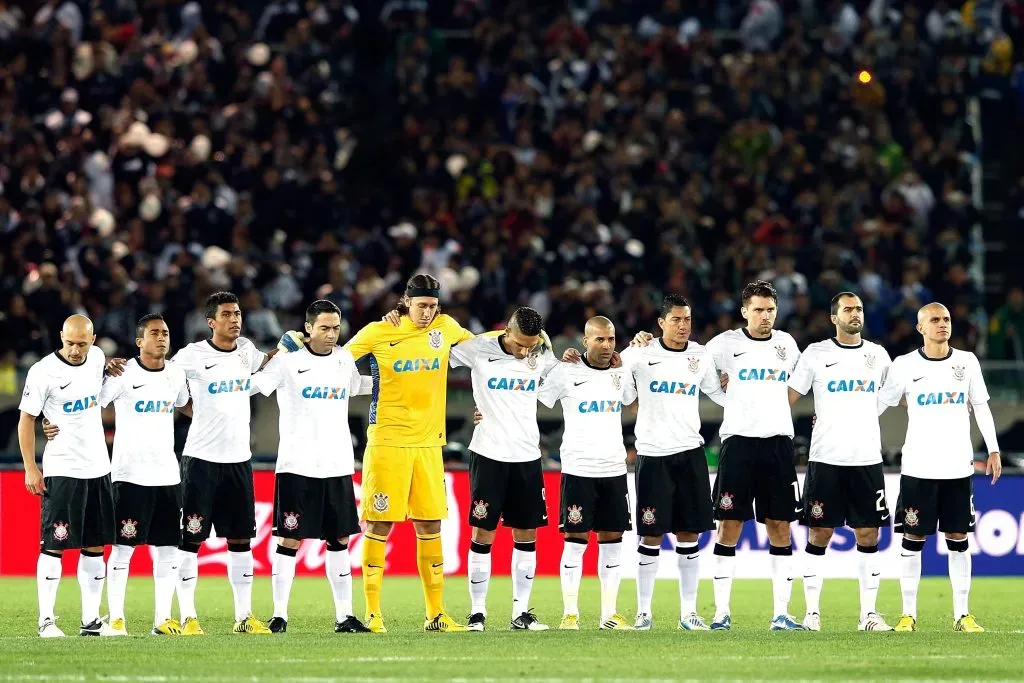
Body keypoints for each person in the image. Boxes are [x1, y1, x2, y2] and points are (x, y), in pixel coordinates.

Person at [343, 274, 475, 633]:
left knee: (430, 523)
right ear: (406, 302)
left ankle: (436, 614)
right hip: (387, 441)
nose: (427, 313)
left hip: (430, 444)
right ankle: (372, 613)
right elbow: (336, 363)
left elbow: (487, 352)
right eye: (421, 306)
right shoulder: (377, 331)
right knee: (380, 523)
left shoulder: (446, 328)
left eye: (432, 306)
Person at [169, 291, 293, 635]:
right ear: (211, 322)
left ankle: (244, 616)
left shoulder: (246, 352)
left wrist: (287, 348)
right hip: (201, 460)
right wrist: (190, 409)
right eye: (227, 314)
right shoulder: (192, 355)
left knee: (241, 542)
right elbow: (162, 378)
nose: (235, 319)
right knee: (190, 540)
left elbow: (267, 365)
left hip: (239, 461)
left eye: (237, 313)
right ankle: (188, 617)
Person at [878, 302, 1001, 632]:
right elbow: (878, 402)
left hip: (958, 468)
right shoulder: (904, 366)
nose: (942, 324)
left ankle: (962, 615)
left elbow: (981, 407)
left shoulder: (967, 362)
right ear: (921, 327)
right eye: (935, 320)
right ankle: (908, 615)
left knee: (959, 538)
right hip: (918, 467)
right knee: (913, 538)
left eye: (946, 319)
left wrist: (993, 449)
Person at [253, 300, 372, 634]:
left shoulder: (344, 359)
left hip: (336, 464)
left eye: (336, 328)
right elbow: (254, 384)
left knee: (339, 539)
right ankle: (279, 615)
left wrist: (387, 382)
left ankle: (345, 616)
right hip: (297, 464)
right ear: (307, 328)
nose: (332, 335)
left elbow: (355, 386)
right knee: (289, 541)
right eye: (324, 328)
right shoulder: (289, 363)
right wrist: (272, 354)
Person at [618, 295, 727, 631]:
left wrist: (739, 388)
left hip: (690, 452)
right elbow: (619, 387)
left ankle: (689, 612)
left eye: (688, 319)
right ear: (661, 322)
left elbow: (717, 393)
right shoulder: (640, 353)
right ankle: (644, 612)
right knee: (651, 536)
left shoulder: (700, 354)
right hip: (652, 453)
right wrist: (638, 405)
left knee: (689, 532)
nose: (683, 326)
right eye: (676, 319)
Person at [787, 293, 894, 632]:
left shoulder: (877, 355)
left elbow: (895, 395)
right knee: (820, 532)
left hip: (866, 458)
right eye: (848, 309)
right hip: (826, 458)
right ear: (834, 317)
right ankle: (812, 613)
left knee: (868, 532)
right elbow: (788, 397)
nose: (855, 314)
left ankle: (869, 615)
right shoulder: (816, 354)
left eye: (859, 308)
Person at [449, 307, 558, 632]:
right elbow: (435, 354)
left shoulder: (541, 354)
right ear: (506, 332)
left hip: (526, 457)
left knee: (526, 534)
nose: (526, 351)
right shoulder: (477, 349)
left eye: (531, 345)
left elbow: (569, 376)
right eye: (520, 344)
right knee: (483, 533)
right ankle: (477, 613)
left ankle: (521, 613)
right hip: (488, 454)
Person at [704, 280, 804, 631]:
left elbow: (801, 383)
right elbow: (696, 368)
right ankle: (721, 613)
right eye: (759, 310)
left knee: (780, 526)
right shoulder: (724, 344)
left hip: (777, 443)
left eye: (770, 310)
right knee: (729, 525)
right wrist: (726, 398)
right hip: (739, 443)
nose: (765, 316)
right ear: (744, 311)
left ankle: (780, 614)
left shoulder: (787, 344)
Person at [18, 315, 118, 637]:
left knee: (94, 547)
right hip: (62, 469)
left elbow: (96, 393)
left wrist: (111, 368)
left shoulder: (98, 358)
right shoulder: (43, 372)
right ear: (61, 336)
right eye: (70, 343)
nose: (75, 350)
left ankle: (90, 621)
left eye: (82, 344)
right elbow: (26, 421)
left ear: (93, 339)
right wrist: (32, 467)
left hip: (98, 468)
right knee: (54, 546)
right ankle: (46, 620)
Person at [537, 316, 636, 631]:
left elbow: (633, 402)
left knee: (612, 540)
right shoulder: (567, 372)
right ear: (585, 341)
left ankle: (609, 614)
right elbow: (533, 398)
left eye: (610, 339)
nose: (606, 346)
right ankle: (570, 612)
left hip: (614, 469)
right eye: (599, 340)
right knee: (575, 541)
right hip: (579, 469)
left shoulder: (621, 373)